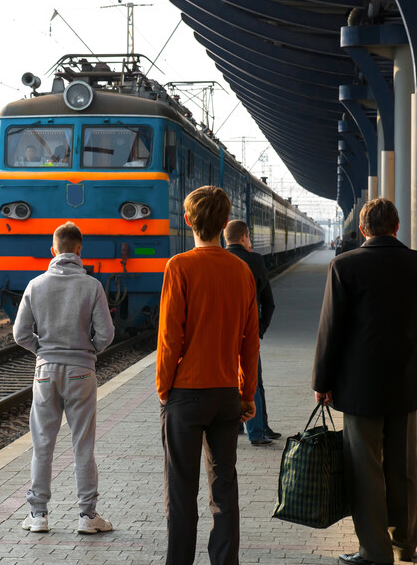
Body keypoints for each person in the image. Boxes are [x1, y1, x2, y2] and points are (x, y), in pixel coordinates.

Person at [312, 198, 417, 565]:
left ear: (364, 230)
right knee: (402, 468)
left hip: (358, 388)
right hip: (403, 384)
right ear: (397, 227)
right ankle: (405, 543)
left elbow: (330, 329)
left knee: (364, 468)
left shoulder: (344, 265)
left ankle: (374, 550)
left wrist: (322, 381)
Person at [156, 186, 260, 565]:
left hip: (185, 394)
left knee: (181, 490)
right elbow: (251, 342)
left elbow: (170, 337)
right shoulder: (242, 270)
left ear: (188, 221)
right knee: (225, 488)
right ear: (223, 223)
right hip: (226, 396)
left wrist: (164, 389)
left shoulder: (179, 267)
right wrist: (247, 394)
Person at [13, 221, 116, 535]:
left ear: (53, 250)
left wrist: (43, 351)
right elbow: (107, 334)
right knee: (82, 444)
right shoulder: (92, 286)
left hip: (45, 372)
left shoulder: (36, 285)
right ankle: (87, 516)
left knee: (42, 444)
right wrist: (88, 351)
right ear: (80, 250)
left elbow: (20, 334)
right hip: (82, 371)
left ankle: (38, 515)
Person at [225, 219, 278, 446]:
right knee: (252, 380)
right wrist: (260, 329)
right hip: (248, 332)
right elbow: (269, 303)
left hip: (221, 333)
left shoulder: (219, 259)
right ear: (245, 236)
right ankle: (257, 431)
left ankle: (235, 425)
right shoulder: (255, 260)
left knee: (228, 379)